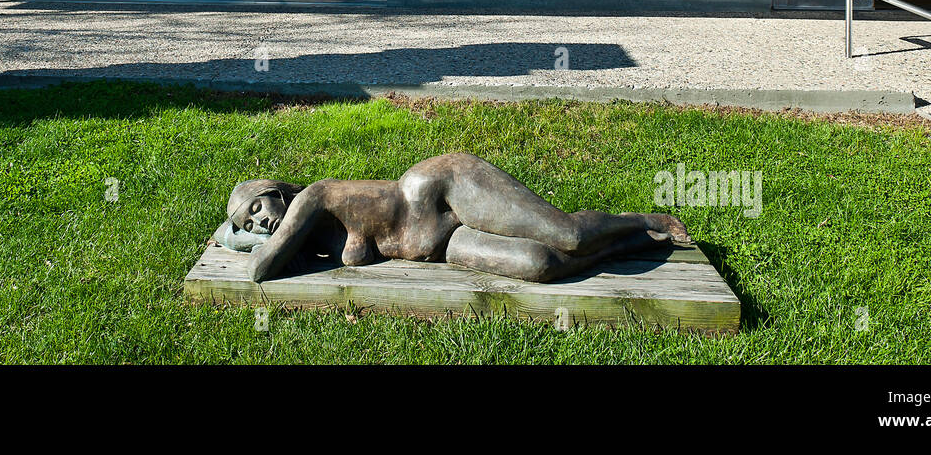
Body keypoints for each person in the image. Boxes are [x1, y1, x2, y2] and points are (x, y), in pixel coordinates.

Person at [214, 152, 691, 284]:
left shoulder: (311, 199)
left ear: (274, 192)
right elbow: (272, 261)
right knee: (540, 265)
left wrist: (230, 238)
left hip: (439, 191)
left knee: (564, 233)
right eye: (248, 225)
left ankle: (637, 219)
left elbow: (259, 270)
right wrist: (245, 235)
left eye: (256, 208)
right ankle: (631, 244)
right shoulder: (309, 242)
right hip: (440, 247)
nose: (258, 225)